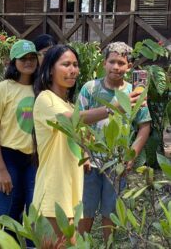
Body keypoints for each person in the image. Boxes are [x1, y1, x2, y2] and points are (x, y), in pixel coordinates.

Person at [32, 44, 144, 237]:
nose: (72, 70)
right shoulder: (45, 99)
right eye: (66, 64)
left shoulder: (66, 103)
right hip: (53, 197)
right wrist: (113, 108)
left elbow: (82, 136)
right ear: (50, 69)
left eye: (75, 65)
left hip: (70, 195)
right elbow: (69, 119)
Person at [78, 42, 151, 242]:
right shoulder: (90, 89)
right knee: (86, 208)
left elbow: (144, 125)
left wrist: (132, 155)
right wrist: (84, 152)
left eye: (121, 63)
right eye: (112, 61)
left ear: (129, 67)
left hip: (118, 163)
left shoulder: (134, 93)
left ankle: (107, 245)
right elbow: (79, 121)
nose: (116, 67)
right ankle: (82, 245)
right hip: (90, 162)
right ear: (104, 63)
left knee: (111, 210)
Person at [0, 40, 39, 249]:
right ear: (13, 62)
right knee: (3, 212)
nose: (28, 62)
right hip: (9, 157)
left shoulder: (41, 89)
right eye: (23, 58)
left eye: (32, 57)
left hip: (34, 159)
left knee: (34, 212)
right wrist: (2, 169)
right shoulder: (2, 89)